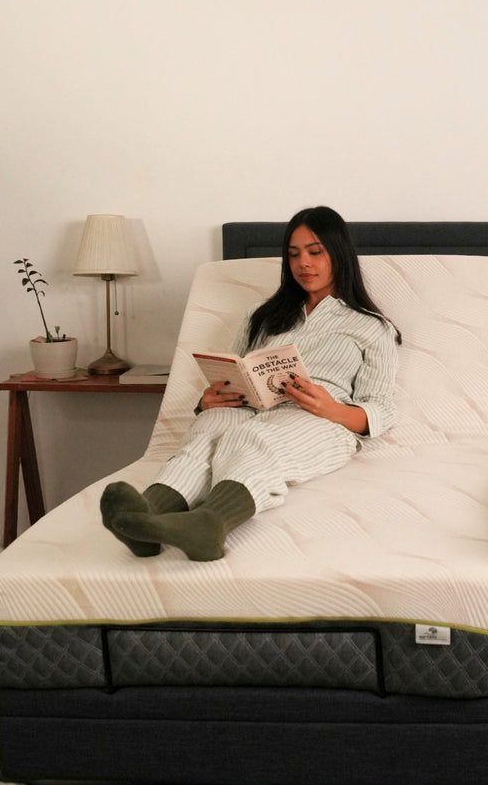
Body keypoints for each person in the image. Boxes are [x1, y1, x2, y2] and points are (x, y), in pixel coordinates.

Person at [100, 206, 400, 561]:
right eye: (293, 254)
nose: (303, 263)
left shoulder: (371, 326)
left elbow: (380, 407)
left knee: (252, 439)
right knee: (211, 427)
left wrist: (331, 408)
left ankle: (211, 524)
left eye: (315, 252)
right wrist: (210, 397)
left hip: (320, 419)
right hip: (252, 406)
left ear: (339, 254)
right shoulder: (261, 314)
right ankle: (144, 519)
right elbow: (235, 367)